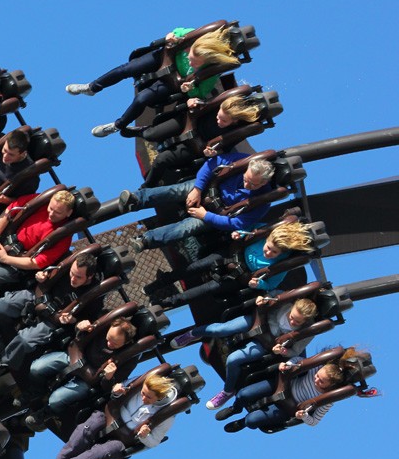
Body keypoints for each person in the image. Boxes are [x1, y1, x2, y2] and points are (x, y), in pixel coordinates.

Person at [0, 254, 104, 388]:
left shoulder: (94, 297)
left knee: (25, 340)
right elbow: (45, 274)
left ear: (89, 277)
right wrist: (41, 276)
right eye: (72, 273)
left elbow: (86, 322)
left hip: (54, 320)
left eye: (78, 277)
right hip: (39, 298)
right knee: (7, 303)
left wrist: (74, 321)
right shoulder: (65, 268)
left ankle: (2, 364)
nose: (73, 279)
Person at [65, 26, 241, 137]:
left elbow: (201, 92)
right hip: (165, 58)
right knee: (126, 69)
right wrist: (172, 35)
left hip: (174, 81)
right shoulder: (197, 37)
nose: (189, 59)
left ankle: (117, 125)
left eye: (194, 62)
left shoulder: (212, 71)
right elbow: (179, 31)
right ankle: (92, 87)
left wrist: (190, 88)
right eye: (190, 54)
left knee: (142, 99)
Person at [33, 372, 178, 459]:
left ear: (159, 398)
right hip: (109, 416)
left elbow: (155, 441)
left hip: (122, 439)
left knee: (103, 452)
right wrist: (117, 391)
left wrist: (145, 435)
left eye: (149, 398)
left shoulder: (167, 416)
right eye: (143, 393)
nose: (143, 398)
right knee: (86, 430)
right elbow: (117, 392)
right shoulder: (139, 384)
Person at [169, 296, 318, 410]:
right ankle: (193, 334)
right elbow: (271, 296)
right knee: (221, 329)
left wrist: (284, 351)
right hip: (257, 322)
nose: (292, 322)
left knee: (233, 359)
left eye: (297, 322)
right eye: (291, 317)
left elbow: (296, 351)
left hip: (266, 342)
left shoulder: (307, 331)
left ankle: (227, 391)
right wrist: (261, 299)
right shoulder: (286, 301)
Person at [125, 155, 275, 253]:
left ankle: (145, 240)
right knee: (177, 190)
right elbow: (211, 164)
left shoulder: (262, 202)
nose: (247, 185)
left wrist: (205, 215)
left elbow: (236, 223)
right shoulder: (241, 161)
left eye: (253, 184)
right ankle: (136, 199)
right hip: (206, 189)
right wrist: (198, 189)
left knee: (186, 228)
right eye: (246, 179)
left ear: (264, 183)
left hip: (214, 214)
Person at [0, 189, 76, 307]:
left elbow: (36, 263)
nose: (51, 214)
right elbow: (9, 211)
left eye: (58, 212)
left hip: (19, 262)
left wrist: (4, 258)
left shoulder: (64, 238)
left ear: (69, 213)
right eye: (51, 208)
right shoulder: (40, 201)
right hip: (4, 238)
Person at [154, 221, 314, 309]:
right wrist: (240, 233)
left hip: (240, 276)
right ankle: (163, 281)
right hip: (231, 255)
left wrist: (258, 284)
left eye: (274, 252)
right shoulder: (263, 232)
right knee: (196, 266)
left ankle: (168, 302)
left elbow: (272, 284)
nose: (268, 252)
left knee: (207, 289)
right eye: (268, 247)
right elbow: (249, 229)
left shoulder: (281, 264)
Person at [24, 316, 138, 427]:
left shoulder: (129, 358)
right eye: (109, 338)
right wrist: (79, 327)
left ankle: (47, 412)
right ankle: (35, 392)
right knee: (37, 367)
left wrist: (109, 377)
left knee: (56, 399)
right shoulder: (102, 326)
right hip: (75, 358)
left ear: (126, 343)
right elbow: (78, 336)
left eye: (115, 343)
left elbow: (110, 387)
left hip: (89, 379)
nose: (109, 344)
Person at [142, 94, 268, 186]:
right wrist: (191, 101)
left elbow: (226, 148)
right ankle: (138, 131)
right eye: (218, 116)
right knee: (150, 135)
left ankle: (148, 185)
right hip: (189, 125)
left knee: (161, 160)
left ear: (234, 121)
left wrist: (213, 153)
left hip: (196, 145)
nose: (219, 121)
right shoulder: (219, 105)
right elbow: (199, 102)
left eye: (224, 121)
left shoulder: (237, 131)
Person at [221, 360, 344, 432]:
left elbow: (314, 422)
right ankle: (235, 408)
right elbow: (299, 361)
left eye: (321, 381)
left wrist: (304, 416)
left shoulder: (328, 399)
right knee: (243, 394)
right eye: (317, 375)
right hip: (282, 386)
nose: (316, 379)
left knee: (251, 420)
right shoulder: (316, 368)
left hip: (287, 407)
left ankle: (242, 422)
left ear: (330, 385)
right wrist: (288, 364)